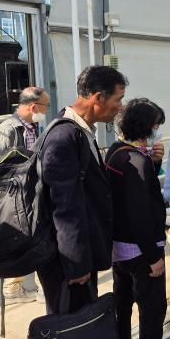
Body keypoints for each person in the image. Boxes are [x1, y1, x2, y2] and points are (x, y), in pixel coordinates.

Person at [37, 66, 127, 314]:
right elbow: (64, 207)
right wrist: (76, 264)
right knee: (72, 326)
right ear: (98, 98)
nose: (120, 107)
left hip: (79, 255)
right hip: (67, 264)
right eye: (118, 99)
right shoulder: (63, 137)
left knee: (84, 320)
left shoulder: (80, 131)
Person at [105, 98, 170, 339]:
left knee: (123, 302)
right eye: (156, 125)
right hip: (141, 250)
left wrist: (154, 163)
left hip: (119, 248)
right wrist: (153, 257)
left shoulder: (116, 153)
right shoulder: (136, 160)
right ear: (146, 126)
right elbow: (140, 212)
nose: (157, 131)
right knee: (153, 309)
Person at [0, 87, 50, 303]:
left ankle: (42, 289)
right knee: (17, 243)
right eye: (46, 106)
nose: (47, 110)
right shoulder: (7, 130)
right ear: (33, 107)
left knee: (37, 241)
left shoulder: (32, 127)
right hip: (16, 199)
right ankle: (13, 290)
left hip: (32, 194)